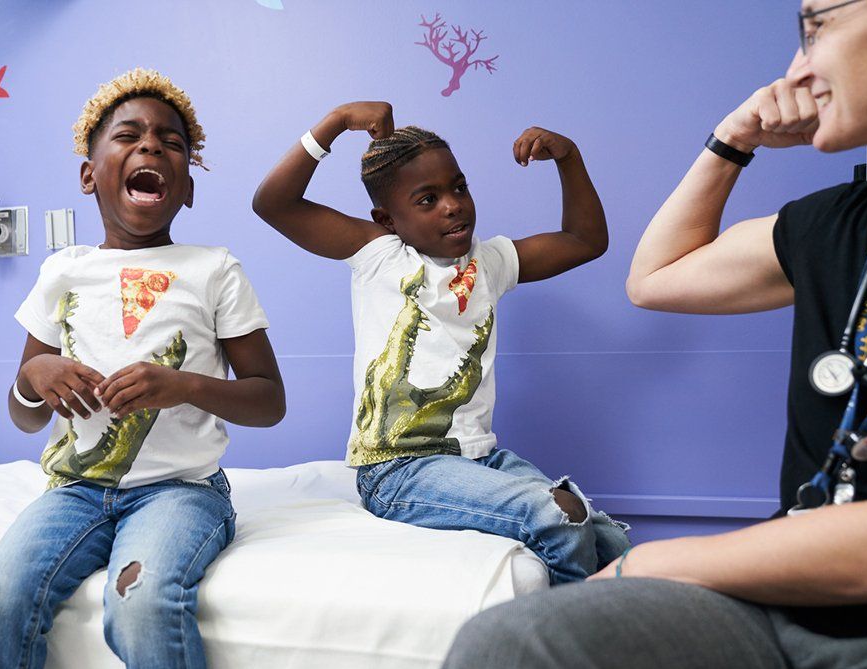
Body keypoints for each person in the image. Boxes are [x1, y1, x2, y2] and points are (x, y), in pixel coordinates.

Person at [411, 2, 867, 669]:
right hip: (781, 609)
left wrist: (649, 561)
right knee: (512, 647)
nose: (799, 68)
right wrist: (729, 143)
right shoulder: (846, 227)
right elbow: (655, 277)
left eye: (819, 25)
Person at [0, 68, 285, 669]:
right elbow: (24, 410)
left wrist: (185, 385)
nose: (152, 148)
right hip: (74, 491)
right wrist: (33, 379)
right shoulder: (63, 271)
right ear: (90, 173)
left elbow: (269, 400)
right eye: (129, 136)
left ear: (187, 184)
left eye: (172, 143)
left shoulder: (213, 269)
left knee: (140, 603)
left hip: (178, 492)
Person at [252, 105, 630, 584]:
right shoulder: (379, 255)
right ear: (386, 219)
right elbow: (273, 204)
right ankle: (561, 645)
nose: (453, 205)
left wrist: (568, 157)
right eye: (427, 199)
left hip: (479, 457)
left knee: (610, 540)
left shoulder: (490, 262)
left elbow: (584, 239)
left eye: (459, 187)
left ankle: (626, 638)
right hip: (398, 469)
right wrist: (336, 121)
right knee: (559, 514)